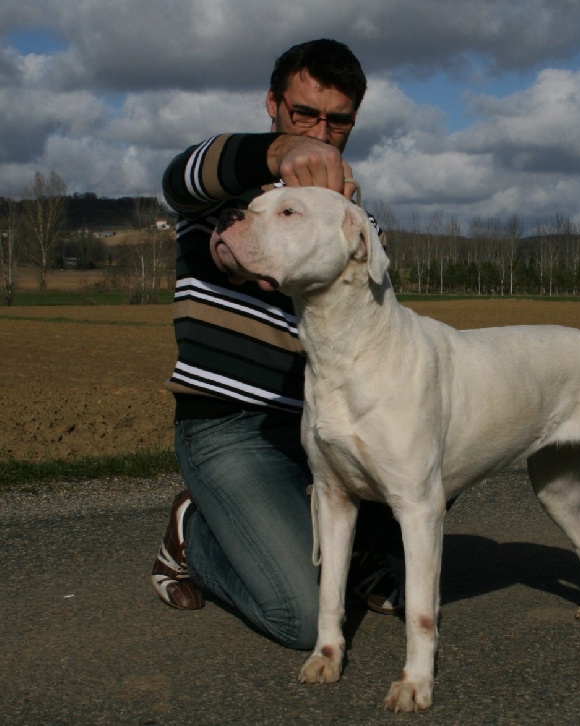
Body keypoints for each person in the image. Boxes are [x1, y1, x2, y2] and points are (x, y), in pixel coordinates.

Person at [151, 39, 404, 651]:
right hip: (230, 428)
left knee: (446, 427)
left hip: (324, 423)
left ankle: (365, 545)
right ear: (272, 104)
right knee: (300, 615)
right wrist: (278, 152)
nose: (321, 132)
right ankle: (192, 533)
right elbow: (179, 177)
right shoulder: (226, 182)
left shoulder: (350, 212)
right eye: (303, 114)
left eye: (337, 120)